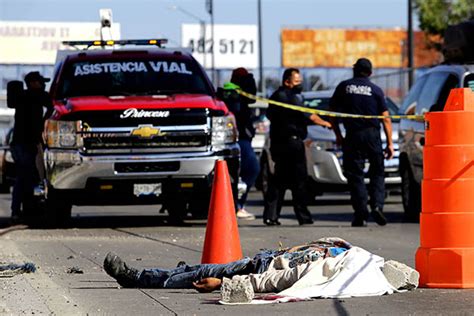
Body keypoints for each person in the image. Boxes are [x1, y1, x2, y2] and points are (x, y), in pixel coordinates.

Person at [103, 237, 352, 290]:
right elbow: (307, 246)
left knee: (198, 274)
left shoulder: (326, 269)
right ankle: (177, 272)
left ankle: (136, 278)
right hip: (261, 260)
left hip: (257, 270)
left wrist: (223, 283)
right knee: (197, 269)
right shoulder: (340, 248)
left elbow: (274, 281)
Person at [329, 58, 394, 227]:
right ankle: (377, 206)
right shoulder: (376, 90)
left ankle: (361, 214)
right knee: (377, 173)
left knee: (355, 175)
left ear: (354, 70)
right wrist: (390, 144)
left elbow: (331, 114)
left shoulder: (344, 87)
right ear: (370, 73)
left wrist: (338, 135)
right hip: (373, 136)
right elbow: (386, 119)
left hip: (353, 135)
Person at [263, 68, 331, 226]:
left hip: (280, 144)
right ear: (287, 82)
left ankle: (271, 216)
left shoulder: (276, 97)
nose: (299, 84)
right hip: (291, 144)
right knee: (298, 181)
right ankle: (303, 216)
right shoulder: (288, 97)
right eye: (297, 81)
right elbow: (308, 115)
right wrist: (325, 123)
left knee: (279, 181)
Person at [9, 71, 54, 223]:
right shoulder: (35, 95)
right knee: (25, 177)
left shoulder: (25, 96)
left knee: (26, 177)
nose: (43, 85)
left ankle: (22, 210)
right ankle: (20, 211)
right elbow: (53, 105)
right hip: (24, 144)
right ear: (34, 83)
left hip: (21, 144)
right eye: (41, 82)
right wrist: (45, 121)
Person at [218, 68, 260, 220]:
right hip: (239, 139)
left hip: (237, 139)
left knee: (237, 174)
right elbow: (251, 97)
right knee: (251, 169)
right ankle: (237, 206)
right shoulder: (235, 95)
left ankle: (235, 205)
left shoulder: (233, 94)